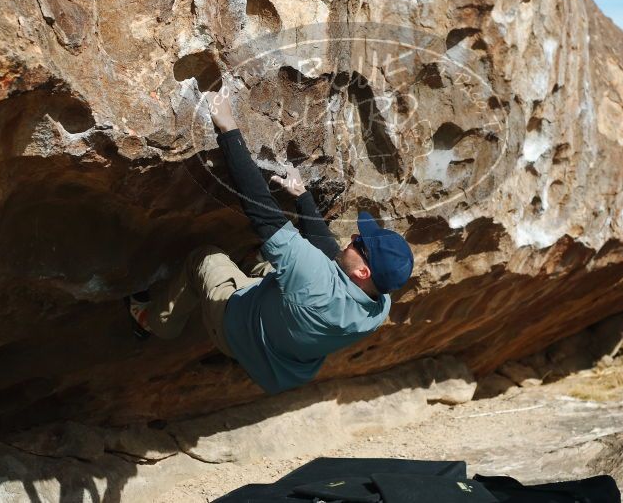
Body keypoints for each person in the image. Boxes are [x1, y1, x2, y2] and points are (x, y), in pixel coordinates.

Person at [127, 89, 414, 395]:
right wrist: (302, 196)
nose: (353, 239)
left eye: (359, 245)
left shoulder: (312, 279)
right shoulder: (380, 305)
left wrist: (228, 128)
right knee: (264, 258)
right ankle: (250, 288)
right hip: (284, 355)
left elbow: (262, 213)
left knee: (206, 258)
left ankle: (154, 322)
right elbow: (328, 254)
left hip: (237, 332)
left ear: (363, 273)